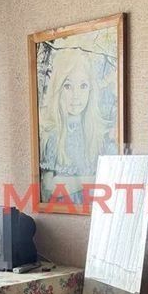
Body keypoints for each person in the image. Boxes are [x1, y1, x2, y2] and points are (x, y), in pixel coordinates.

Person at [39, 48, 116, 205]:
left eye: (83, 86)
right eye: (68, 86)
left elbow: (114, 181)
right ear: (58, 89)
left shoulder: (101, 135)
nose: (76, 95)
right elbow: (47, 188)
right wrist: (92, 181)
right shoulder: (52, 135)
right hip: (62, 213)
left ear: (91, 89)